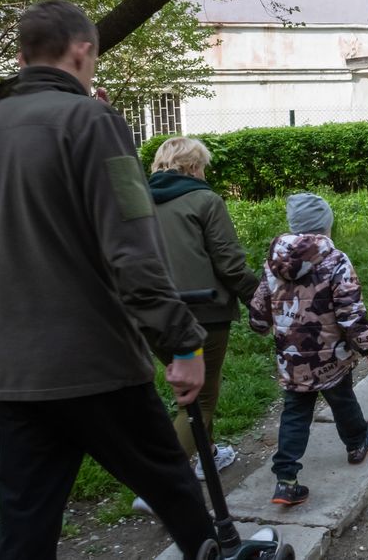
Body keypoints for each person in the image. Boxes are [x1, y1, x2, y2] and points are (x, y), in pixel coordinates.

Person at [0, 0, 216, 558]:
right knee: (175, 492)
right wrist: (182, 343)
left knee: (25, 527)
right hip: (92, 360)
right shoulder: (90, 121)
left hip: (13, 368)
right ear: (83, 49)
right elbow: (132, 251)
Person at [138, 137, 259, 499]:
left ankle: (207, 459)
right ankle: (158, 487)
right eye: (202, 165)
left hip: (150, 314)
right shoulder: (205, 199)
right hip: (201, 311)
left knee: (192, 393)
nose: (204, 172)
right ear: (192, 167)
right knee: (199, 398)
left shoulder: (137, 202)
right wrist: (259, 298)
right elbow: (228, 260)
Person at [248, 193, 368, 507]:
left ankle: (285, 479)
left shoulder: (274, 262)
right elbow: (351, 311)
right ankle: (357, 442)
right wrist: (367, 347)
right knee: (342, 399)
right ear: (326, 226)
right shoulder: (336, 260)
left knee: (295, 412)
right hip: (330, 356)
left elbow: (260, 301)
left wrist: (259, 324)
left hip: (291, 358)